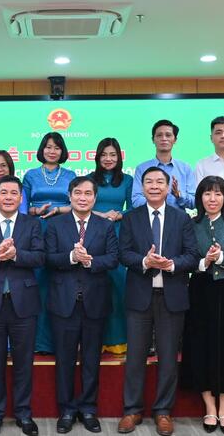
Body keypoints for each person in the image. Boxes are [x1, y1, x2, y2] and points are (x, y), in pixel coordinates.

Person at [117, 167, 199, 436]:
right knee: (136, 357)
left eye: (159, 182)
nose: (154, 186)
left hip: (171, 296)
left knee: (167, 357)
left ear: (168, 187)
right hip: (140, 295)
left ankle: (163, 411)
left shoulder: (182, 218)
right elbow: (123, 253)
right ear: (142, 187)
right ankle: (132, 410)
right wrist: (144, 261)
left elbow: (192, 255)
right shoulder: (131, 218)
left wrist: (172, 264)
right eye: (149, 182)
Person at [0, 175, 45, 436]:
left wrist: (17, 255)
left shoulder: (32, 224)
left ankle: (24, 414)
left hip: (23, 303)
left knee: (24, 362)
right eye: (4, 193)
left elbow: (40, 257)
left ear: (21, 198)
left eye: (14, 193)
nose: (9, 197)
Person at [45, 176, 119, 434]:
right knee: (64, 360)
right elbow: (48, 258)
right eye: (78, 193)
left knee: (90, 360)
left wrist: (89, 261)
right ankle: (66, 410)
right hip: (64, 302)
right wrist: (71, 257)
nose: (83, 197)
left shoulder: (105, 226)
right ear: (70, 195)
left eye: (88, 193)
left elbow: (112, 259)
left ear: (95, 198)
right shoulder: (55, 225)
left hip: (95, 302)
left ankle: (88, 409)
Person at [180, 176, 224, 434]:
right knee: (203, 349)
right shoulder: (191, 225)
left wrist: (221, 257)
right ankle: (210, 408)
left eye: (218, 194)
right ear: (200, 198)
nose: (212, 199)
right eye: (207, 194)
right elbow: (186, 260)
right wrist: (204, 263)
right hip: (200, 292)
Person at [22, 132, 77, 354]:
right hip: (36, 229)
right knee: (37, 285)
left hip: (63, 229)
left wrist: (61, 209)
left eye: (56, 147)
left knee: (60, 285)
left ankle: (59, 342)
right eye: (48, 147)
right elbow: (22, 206)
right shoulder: (31, 175)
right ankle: (37, 342)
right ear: (41, 150)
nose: (52, 151)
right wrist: (35, 210)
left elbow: (80, 203)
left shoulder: (71, 174)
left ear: (63, 151)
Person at [88, 138, 132, 354]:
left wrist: (119, 214)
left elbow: (133, 208)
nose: (108, 158)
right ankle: (95, 338)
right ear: (97, 156)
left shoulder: (128, 180)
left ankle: (118, 339)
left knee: (118, 286)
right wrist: (101, 214)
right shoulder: (88, 179)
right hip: (93, 233)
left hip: (118, 232)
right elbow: (81, 205)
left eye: (113, 154)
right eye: (104, 154)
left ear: (119, 157)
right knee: (95, 286)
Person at [132, 120, 195, 209]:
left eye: (168, 135)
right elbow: (136, 200)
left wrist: (179, 195)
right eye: (159, 135)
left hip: (178, 221)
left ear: (175, 140)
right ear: (153, 140)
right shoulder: (142, 168)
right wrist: (156, 200)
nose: (164, 138)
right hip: (150, 220)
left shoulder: (185, 168)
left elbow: (194, 202)